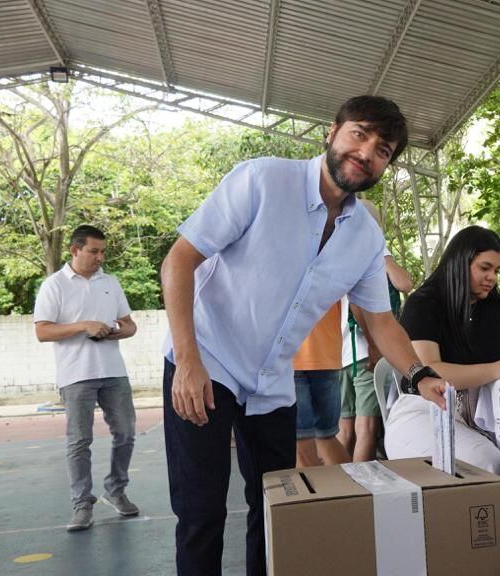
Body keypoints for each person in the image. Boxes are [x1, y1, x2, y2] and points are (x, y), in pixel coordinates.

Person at [160, 95, 445, 576]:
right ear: (331, 133)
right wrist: (187, 361)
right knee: (201, 513)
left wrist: (420, 375)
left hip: (274, 383)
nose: (367, 153)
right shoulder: (262, 180)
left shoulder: (366, 238)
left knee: (275, 510)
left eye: (383, 150)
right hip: (206, 361)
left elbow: (380, 320)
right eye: (360, 135)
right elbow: (179, 261)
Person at [384, 226, 500, 576]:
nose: (492, 278)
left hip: (488, 412)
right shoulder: (426, 302)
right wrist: (498, 368)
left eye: (496, 270)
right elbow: (430, 372)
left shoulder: (495, 307)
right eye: (485, 268)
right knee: (486, 462)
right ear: (460, 261)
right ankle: (479, 563)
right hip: (426, 411)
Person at [34, 224, 139, 531]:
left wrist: (118, 333)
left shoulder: (111, 282)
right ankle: (82, 505)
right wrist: (83, 326)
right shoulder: (54, 285)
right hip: (75, 374)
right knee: (79, 441)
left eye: (102, 252)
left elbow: (130, 325)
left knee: (127, 433)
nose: (99, 257)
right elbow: (42, 331)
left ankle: (115, 490)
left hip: (114, 372)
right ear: (75, 250)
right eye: (93, 251)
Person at [337, 199, 413, 462]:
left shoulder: (336, 253)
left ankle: (335, 492)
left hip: (338, 355)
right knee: (366, 427)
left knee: (343, 430)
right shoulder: (372, 253)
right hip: (364, 354)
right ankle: (360, 492)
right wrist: (384, 251)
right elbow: (404, 283)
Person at [293, 302, 350, 467]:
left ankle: (320, 493)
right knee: (327, 437)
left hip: (290, 355)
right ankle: (353, 490)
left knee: (301, 441)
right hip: (327, 352)